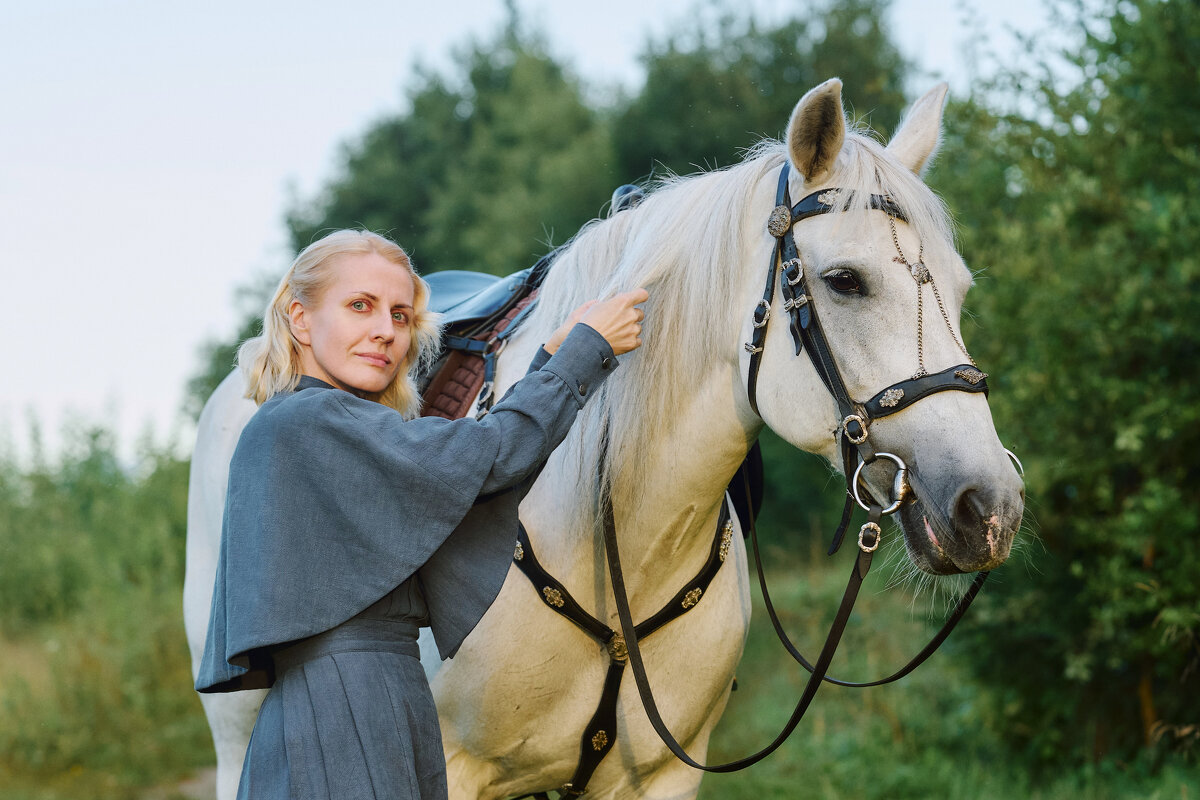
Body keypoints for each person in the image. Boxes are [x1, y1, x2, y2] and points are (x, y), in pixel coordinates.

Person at [195, 229, 647, 799]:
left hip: (367, 697)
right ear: (300, 319)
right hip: (348, 705)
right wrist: (585, 354)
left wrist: (546, 364)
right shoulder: (310, 422)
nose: (386, 330)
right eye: (361, 306)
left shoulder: (310, 428)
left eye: (402, 315)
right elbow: (491, 457)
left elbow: (468, 479)